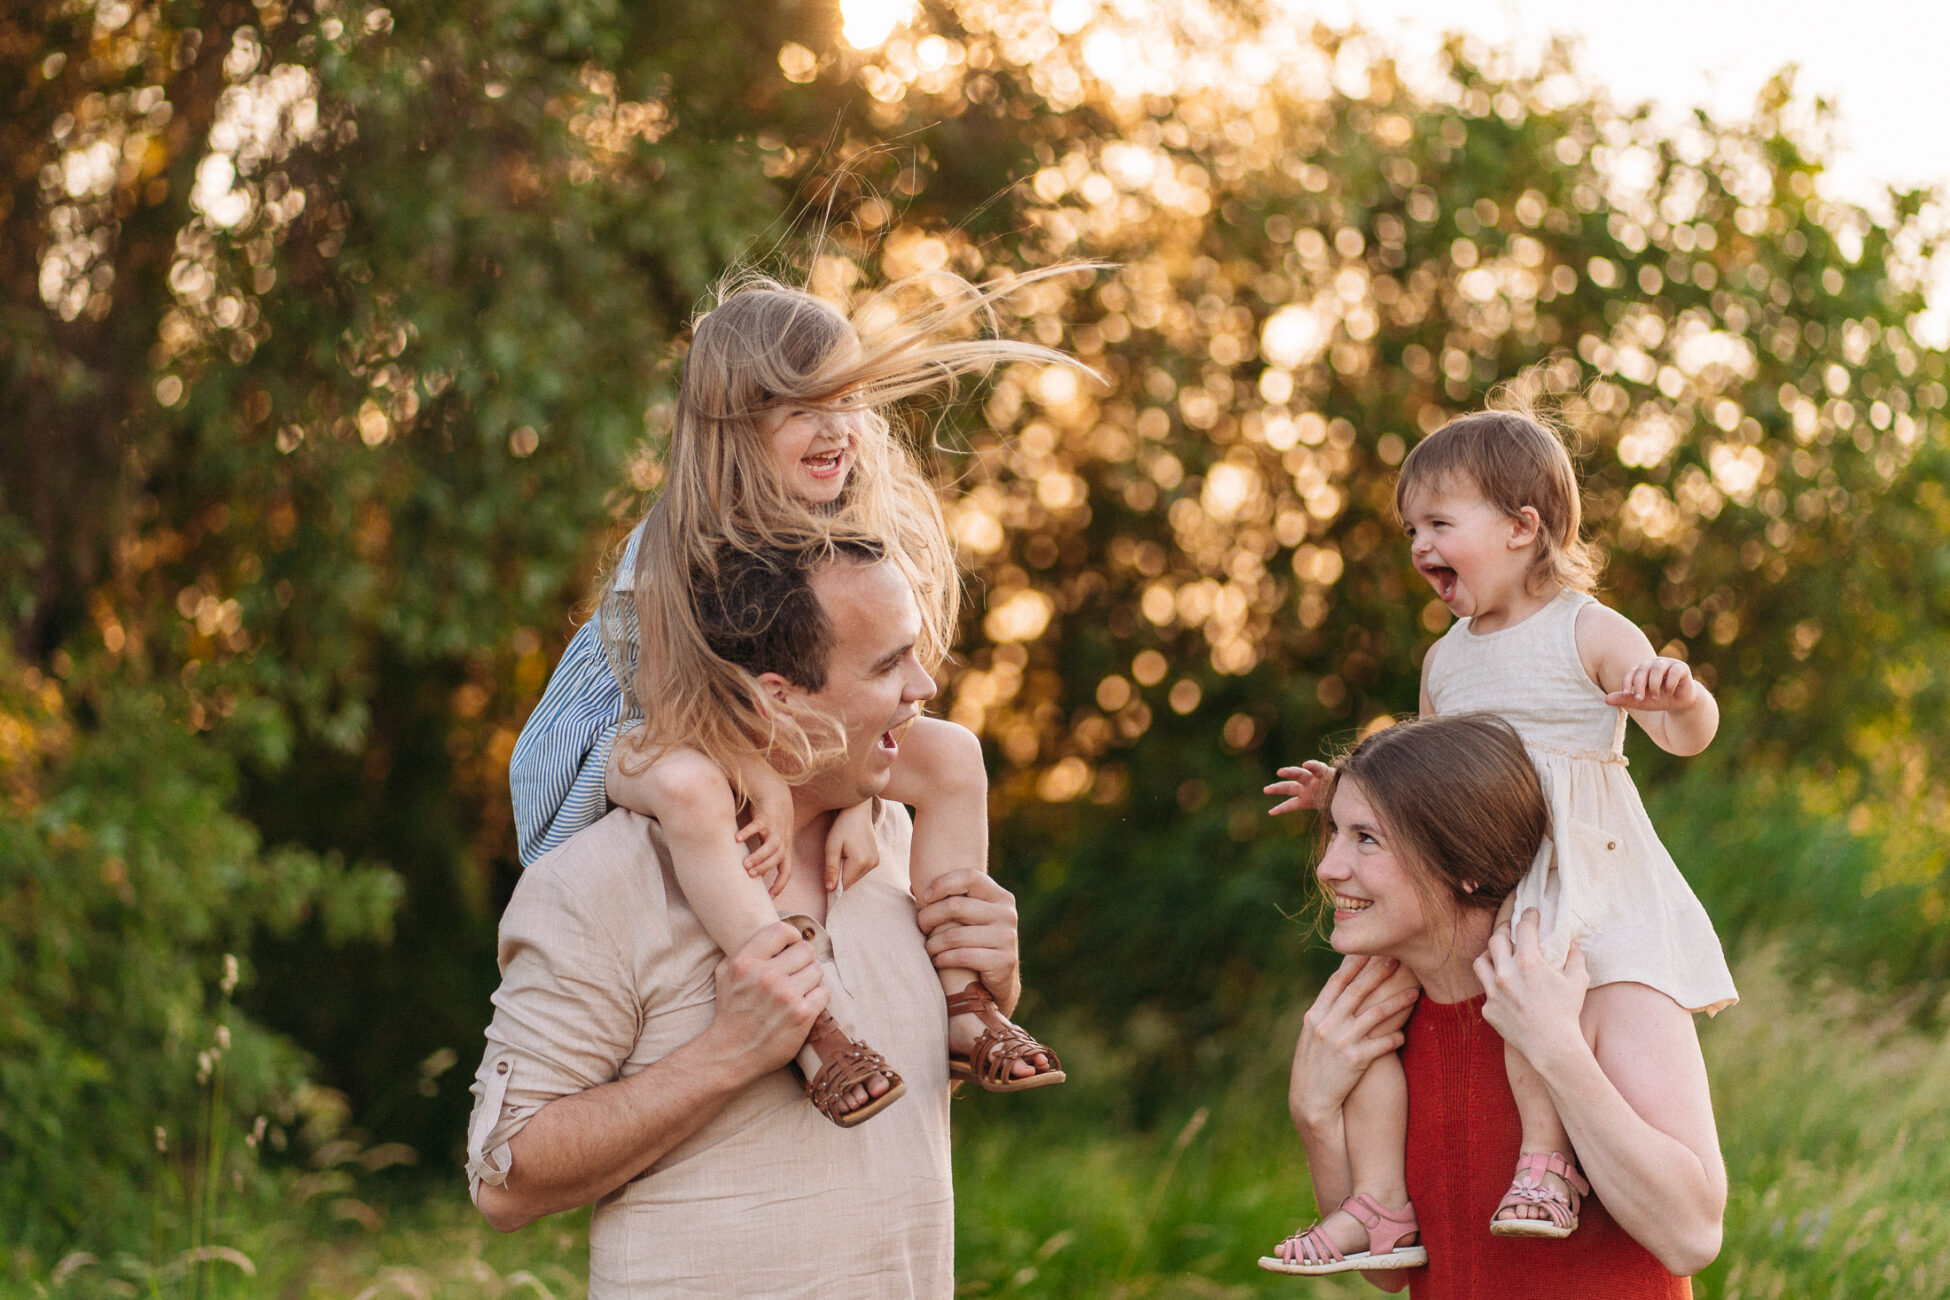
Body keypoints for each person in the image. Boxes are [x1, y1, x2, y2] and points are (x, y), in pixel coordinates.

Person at [510, 268, 1085, 1121]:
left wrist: (858, 800)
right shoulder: (670, 551)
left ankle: (968, 1003)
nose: (836, 429)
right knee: (693, 788)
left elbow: (874, 693)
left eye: (848, 399)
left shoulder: (845, 524)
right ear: (734, 427)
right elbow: (672, 713)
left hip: (751, 729)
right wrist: (768, 780)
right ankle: (809, 1023)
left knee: (955, 757)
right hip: (612, 746)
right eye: (801, 408)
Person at [466, 536, 1038, 1296]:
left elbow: (896, 1105)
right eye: (885, 665)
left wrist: (987, 989)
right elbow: (504, 1183)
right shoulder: (604, 878)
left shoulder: (902, 841)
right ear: (778, 697)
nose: (923, 686)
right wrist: (726, 1055)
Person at [1263, 407, 1735, 1265]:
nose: (1418, 545)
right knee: (1369, 992)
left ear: (1524, 528)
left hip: (1568, 874)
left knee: (1534, 982)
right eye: (1412, 528)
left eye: (1440, 524)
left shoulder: (1586, 628)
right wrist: (1348, 795)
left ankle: (1546, 1162)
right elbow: (1423, 781)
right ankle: (1378, 1206)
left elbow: (1681, 733)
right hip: (1489, 870)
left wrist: (1683, 699)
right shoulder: (1445, 659)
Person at [1266, 714, 1725, 1296]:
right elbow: (1393, 1273)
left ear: (1465, 866)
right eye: (1334, 831)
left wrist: (1554, 1046)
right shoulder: (1385, 1019)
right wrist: (1314, 1114)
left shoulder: (1607, 992)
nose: (1329, 868)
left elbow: (1692, 1237)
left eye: (1366, 838)